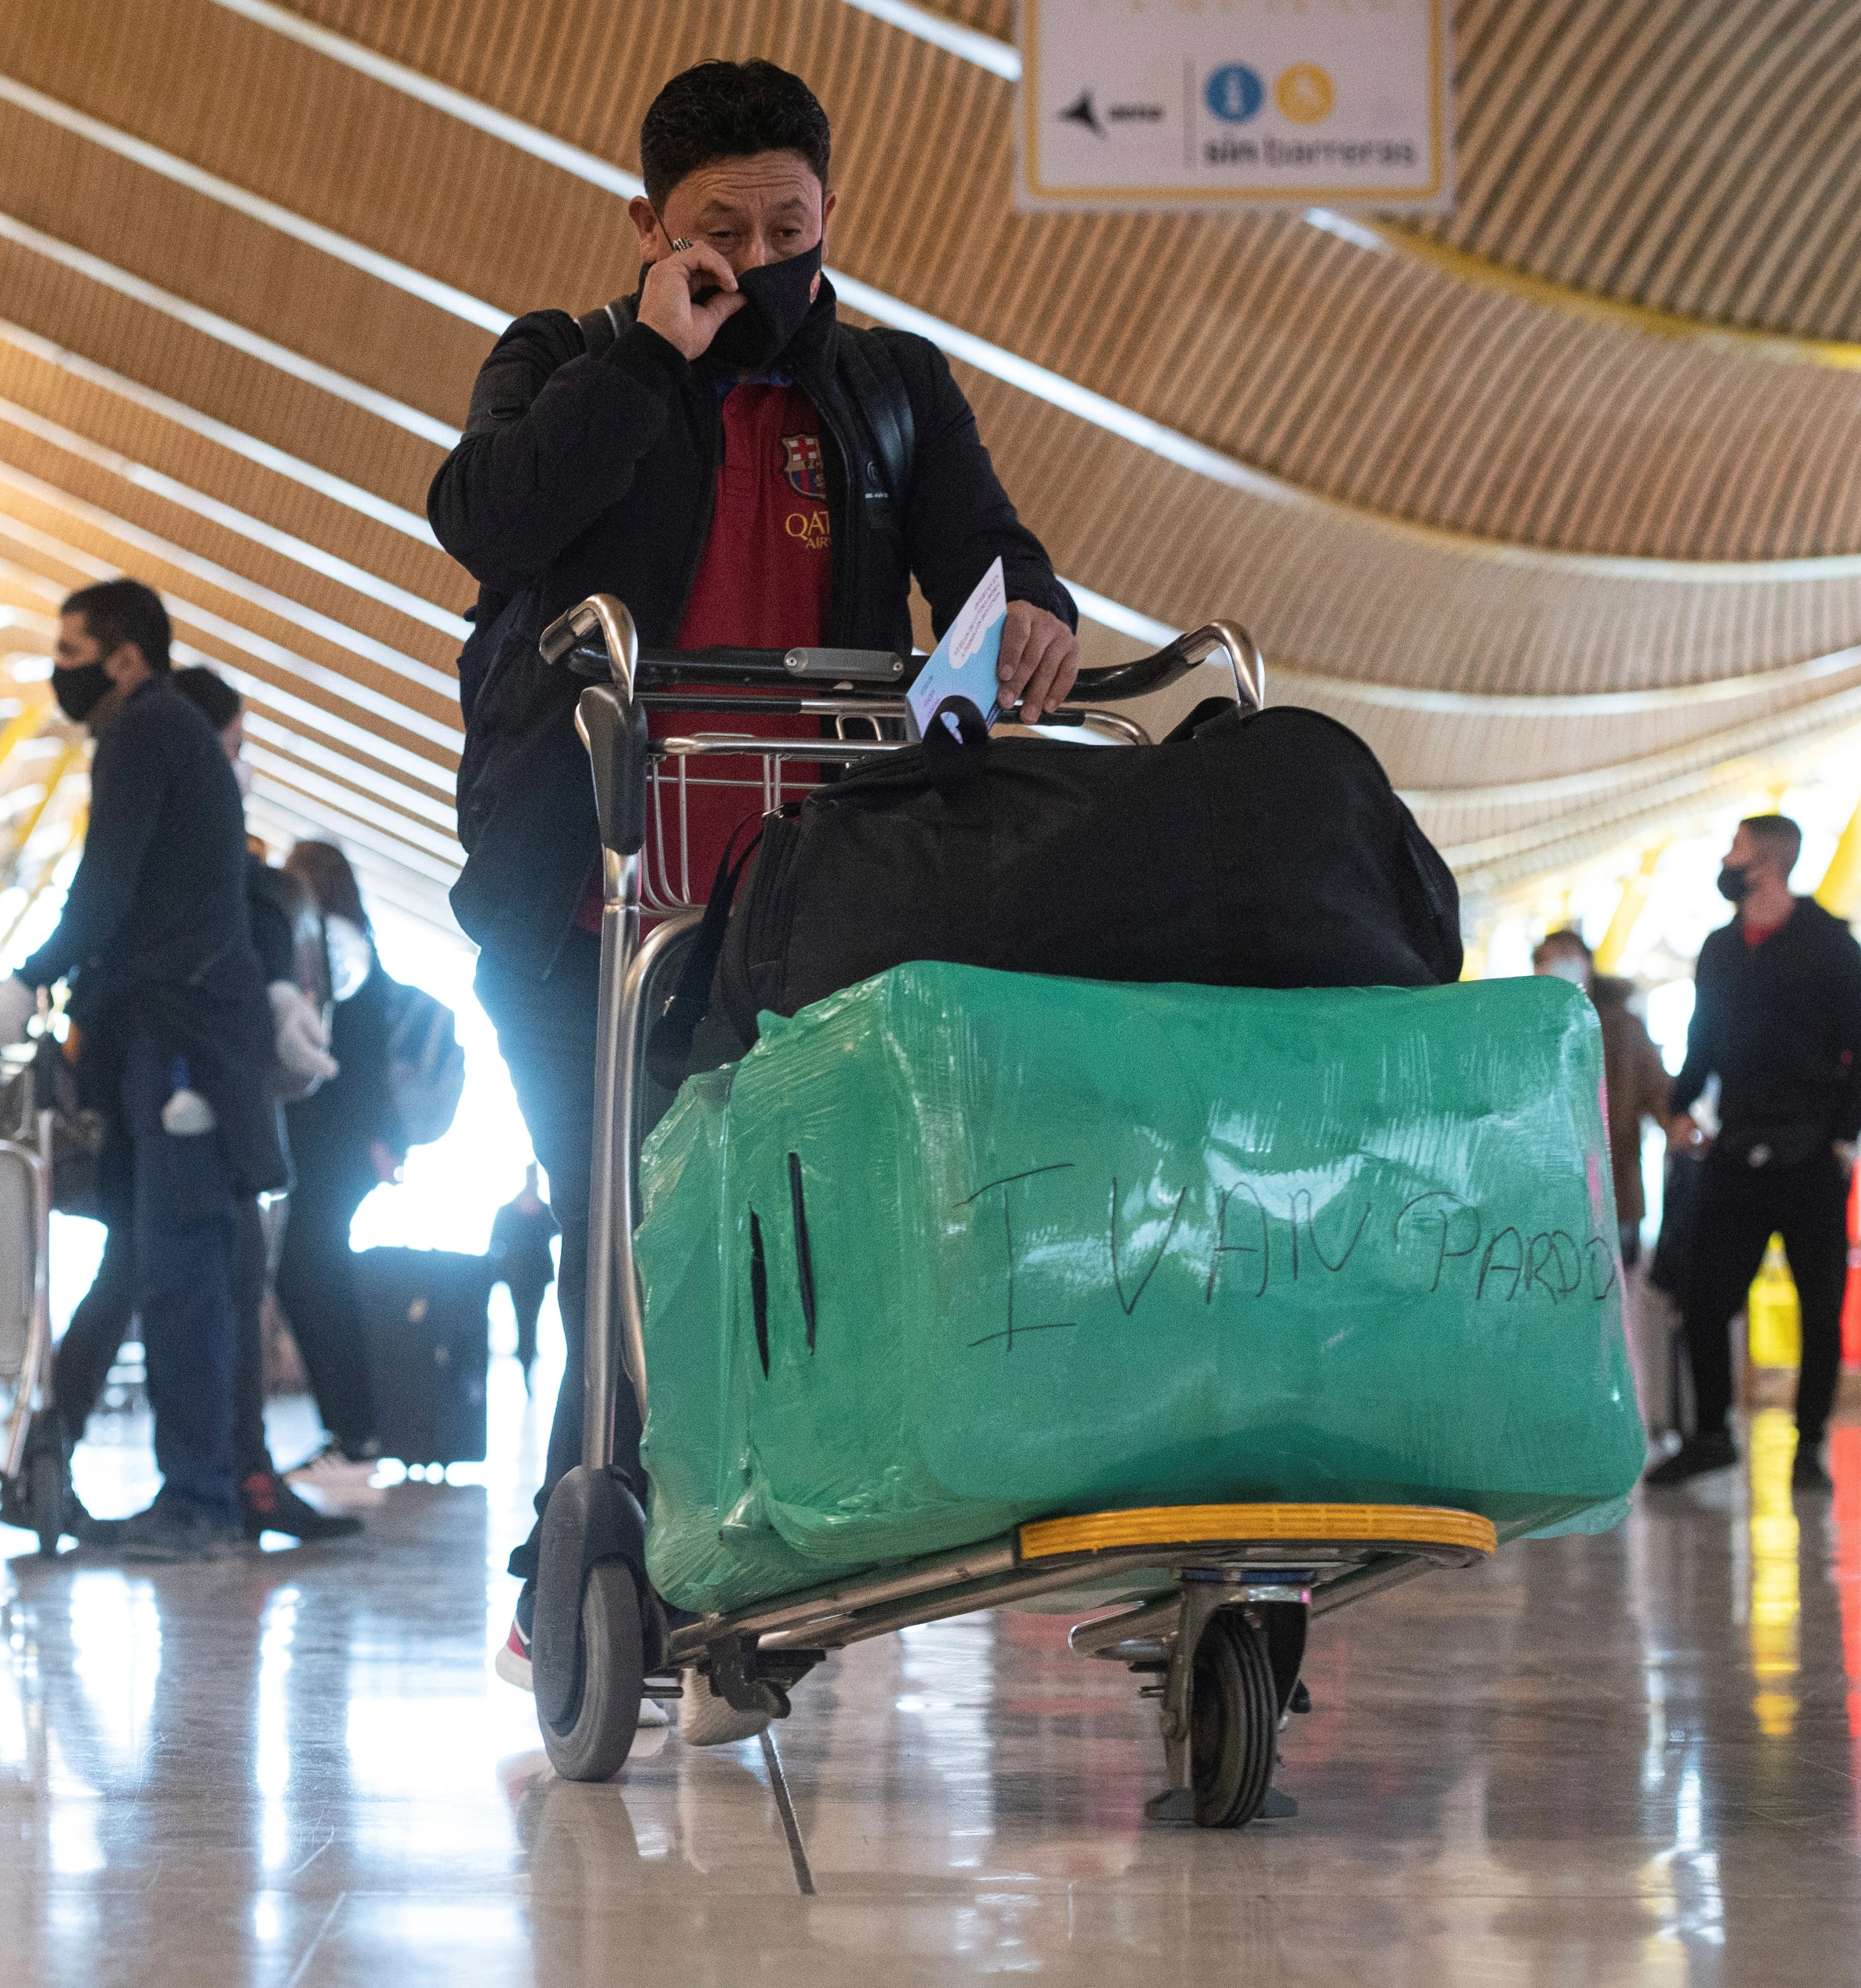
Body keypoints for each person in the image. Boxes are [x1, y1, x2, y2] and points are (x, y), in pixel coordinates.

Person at [428, 59, 1079, 1683]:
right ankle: (591, 1567)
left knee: (793, 1231)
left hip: (799, 901)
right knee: (632, 1233)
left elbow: (986, 557)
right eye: (721, 229)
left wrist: (1036, 608)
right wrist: (660, 350)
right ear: (648, 225)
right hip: (584, 893)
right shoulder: (566, 362)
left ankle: (744, 1580)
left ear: (832, 216)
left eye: (790, 224)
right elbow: (488, 519)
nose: (763, 257)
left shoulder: (891, 389)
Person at [0, 580, 285, 1561]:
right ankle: (192, 1486)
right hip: (180, 1030)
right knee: (170, 1263)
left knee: (179, 1268)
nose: (56, 668)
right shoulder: (167, 735)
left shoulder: (143, 734)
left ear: (125, 658)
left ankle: (195, 1498)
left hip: (180, 1038)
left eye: (70, 648)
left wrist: (27, 976)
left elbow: (103, 886)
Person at [11, 663, 358, 1546]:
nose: (240, 770)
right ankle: (219, 1483)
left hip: (182, 1086)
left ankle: (215, 1481)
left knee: (182, 1279)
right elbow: (249, 910)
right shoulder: (198, 853)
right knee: (197, 1280)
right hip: (190, 1085)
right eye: (236, 747)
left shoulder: (183, 851)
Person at [1644, 815, 1861, 1497]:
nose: (1725, 860)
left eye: (1736, 850)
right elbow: (1704, 1041)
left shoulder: (1830, 943)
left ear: (1768, 863)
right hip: (1737, 1145)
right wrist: (1679, 1106)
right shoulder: (1720, 950)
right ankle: (1711, 1434)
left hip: (1811, 1154)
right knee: (1703, 1296)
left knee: (1820, 1306)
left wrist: (1844, 1135)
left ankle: (1809, 1445)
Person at [271, 839, 407, 1481]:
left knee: (310, 1272)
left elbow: (352, 1060)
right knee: (314, 1271)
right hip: (348, 1143)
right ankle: (352, 1433)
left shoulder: (329, 946)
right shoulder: (356, 945)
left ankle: (355, 1435)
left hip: (334, 1142)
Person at [1533, 928, 1673, 1264]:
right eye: (1550, 959)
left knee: (1618, 1291)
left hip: (1617, 1189)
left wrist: (1678, 1125)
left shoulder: (1624, 1026)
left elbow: (1657, 1089)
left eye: (1569, 957)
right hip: (1548, 1194)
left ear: (1588, 965)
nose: (1560, 966)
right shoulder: (1528, 1029)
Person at [490, 1168, 559, 1381]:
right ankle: (526, 1357)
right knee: (526, 1319)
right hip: (521, 1276)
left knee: (527, 1319)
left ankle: (526, 1358)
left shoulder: (521, 1211)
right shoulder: (514, 1211)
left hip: (528, 1276)